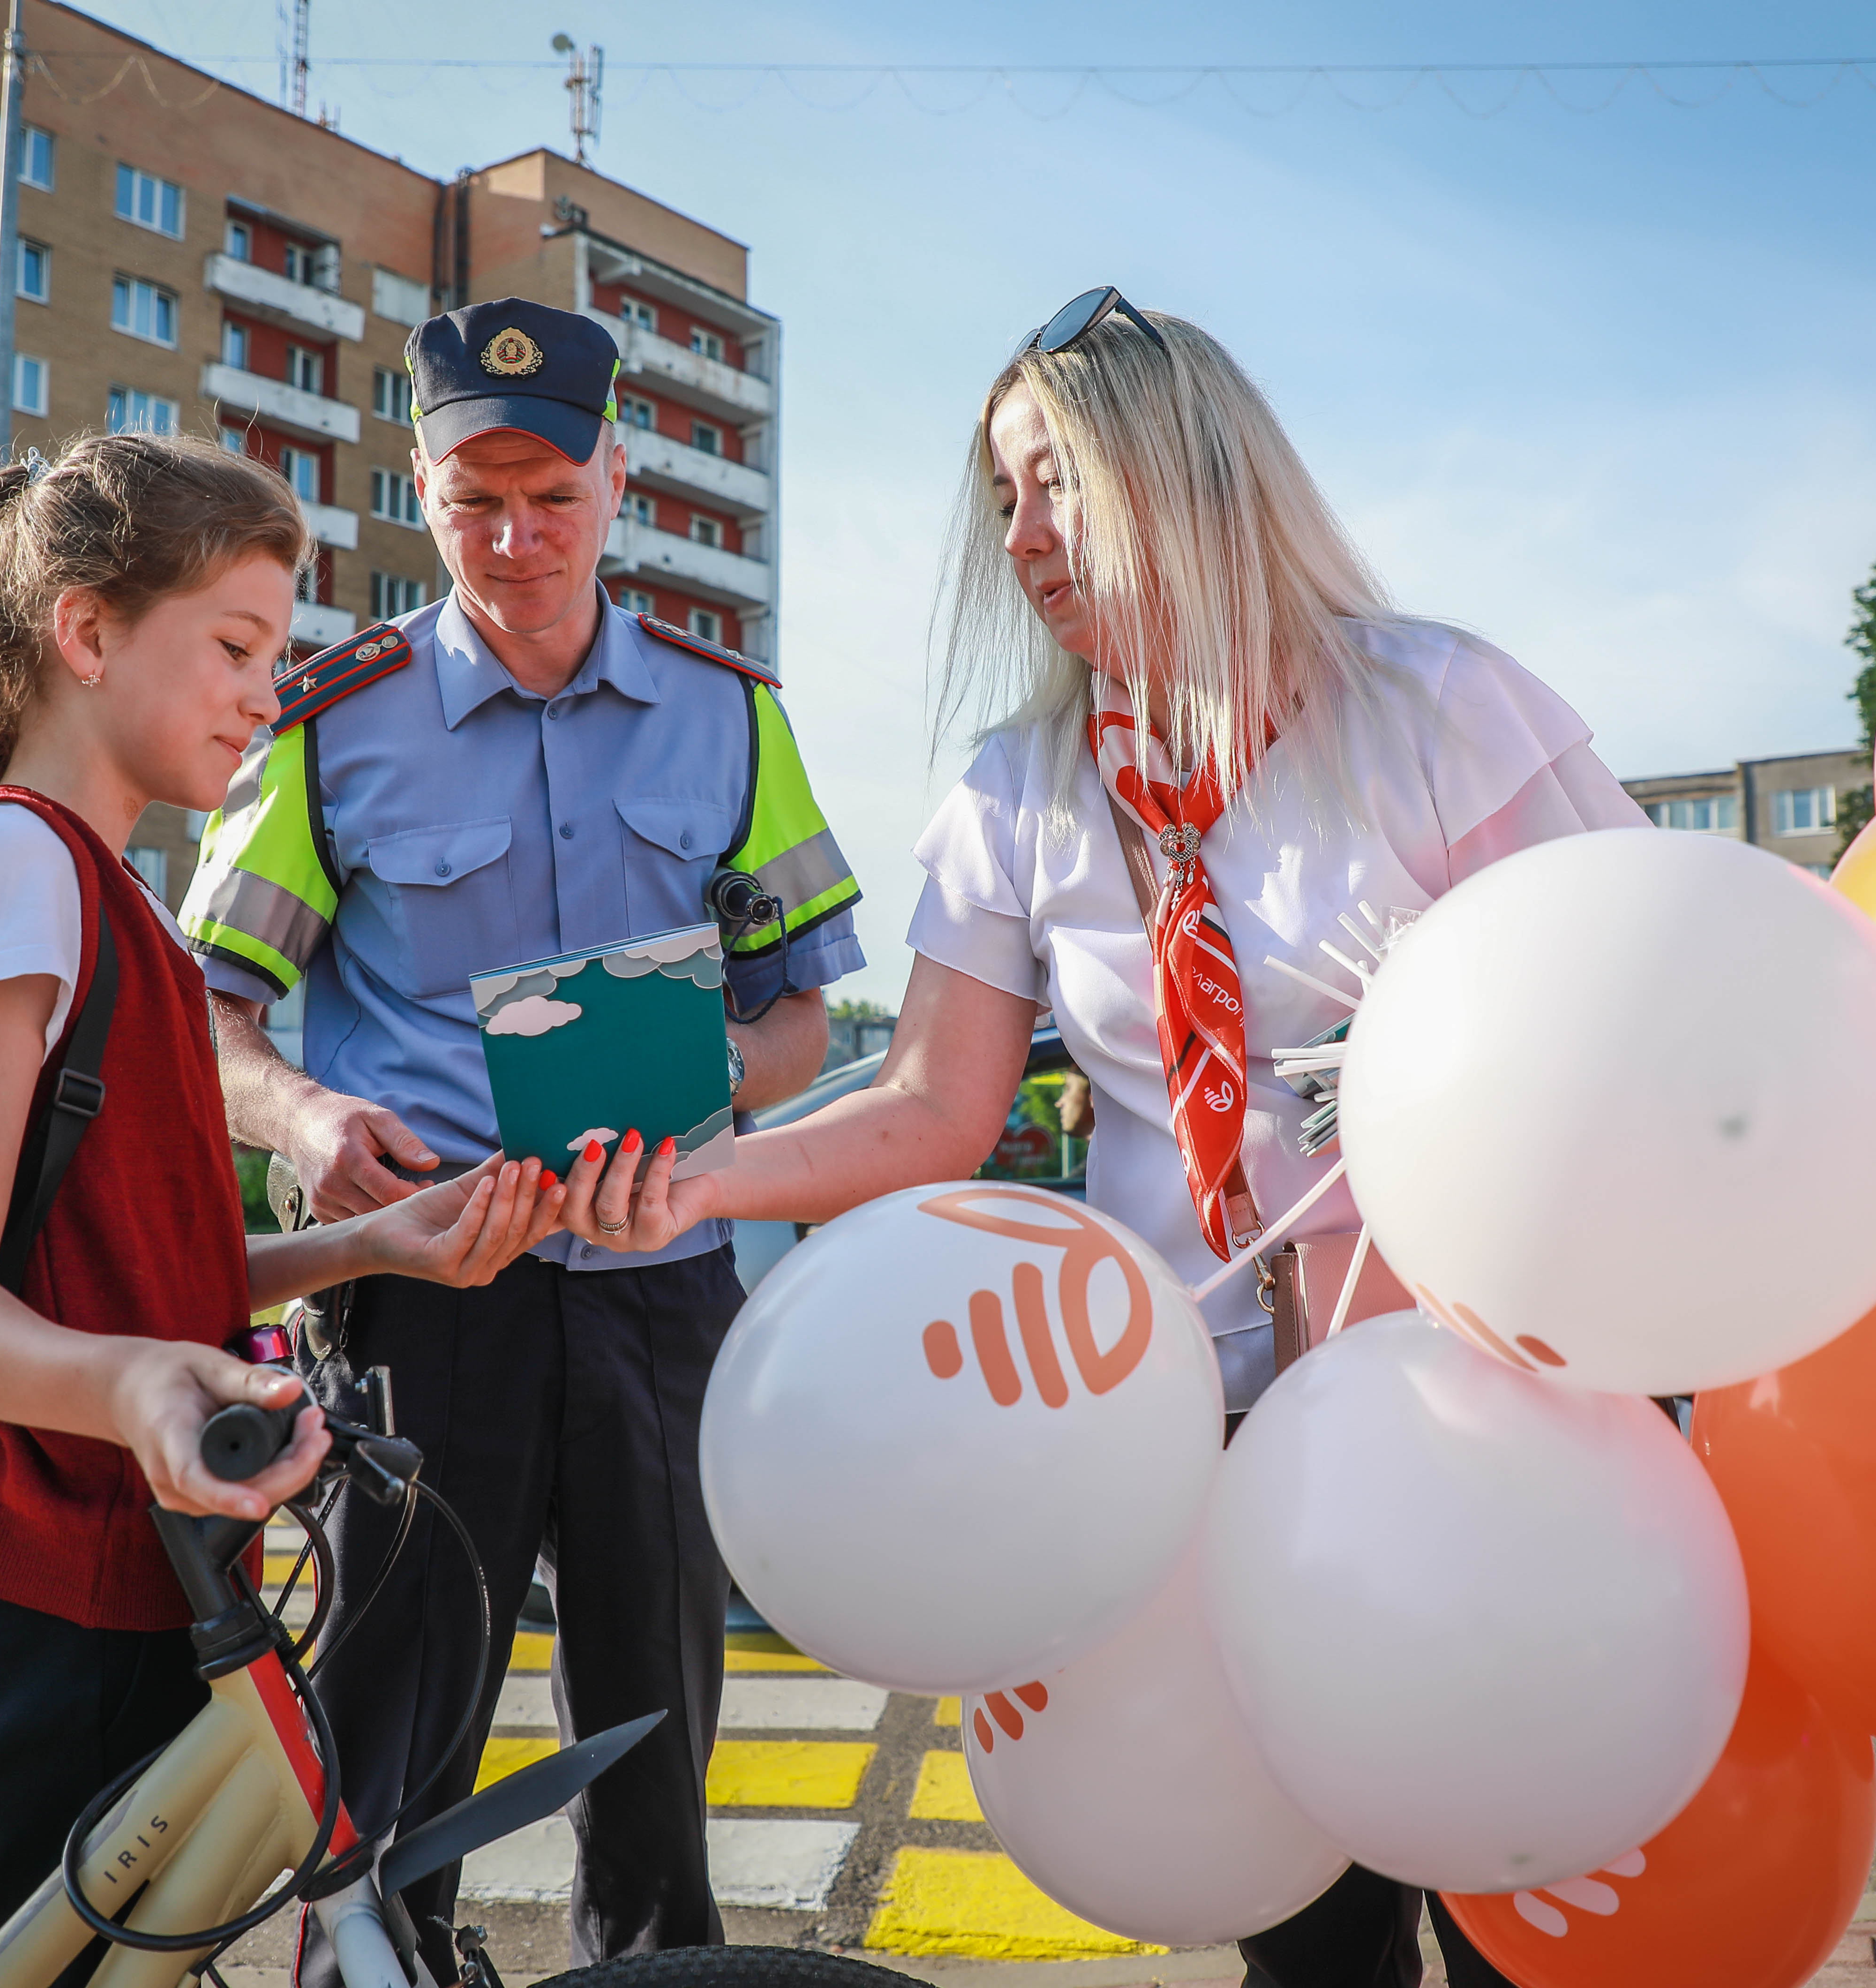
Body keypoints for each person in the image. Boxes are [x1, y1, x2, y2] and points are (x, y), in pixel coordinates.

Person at [591, 291, 1647, 1988]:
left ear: (1188, 472)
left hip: (1477, 1413)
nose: (1018, 537)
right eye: (999, 499)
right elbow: (936, 1106)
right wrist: (705, 1174)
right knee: (1308, 1934)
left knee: (1524, 1896)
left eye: (1053, 484)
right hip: (1193, 1436)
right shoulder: (1017, 794)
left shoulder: (1443, 711)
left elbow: (1633, 1028)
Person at [0, 431, 576, 1973]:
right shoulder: (11, 868)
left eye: (279, 653)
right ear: (86, 634)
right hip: (54, 1607)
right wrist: (143, 1385)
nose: (266, 690)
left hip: (144, 1576)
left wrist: (371, 1245)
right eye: (234, 647)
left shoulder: (109, 894)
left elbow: (126, 1256)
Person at [178, 298, 866, 1977]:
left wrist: (709, 1104)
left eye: (552, 494)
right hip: (426, 1300)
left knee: (657, 1755)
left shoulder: (733, 718)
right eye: (474, 497)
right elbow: (208, 1021)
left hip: (662, 1289)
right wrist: (311, 1113)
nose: (516, 537)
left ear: (617, 477)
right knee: (388, 1762)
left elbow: (805, 1017)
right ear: (419, 490)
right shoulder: (330, 719)